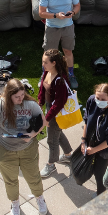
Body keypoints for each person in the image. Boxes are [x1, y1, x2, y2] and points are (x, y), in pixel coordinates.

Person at [0, 79, 48, 215]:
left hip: (28, 150)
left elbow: (43, 121)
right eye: (17, 97)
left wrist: (32, 134)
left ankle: (40, 198)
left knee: (33, 177)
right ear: (8, 95)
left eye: (22, 95)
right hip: (5, 151)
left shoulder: (30, 104)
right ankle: (14, 203)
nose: (21, 99)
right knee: (10, 181)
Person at [38, 0, 80, 89]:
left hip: (68, 26)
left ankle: (70, 74)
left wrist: (73, 13)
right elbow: (41, 13)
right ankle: (45, 74)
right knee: (49, 54)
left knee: (68, 51)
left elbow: (77, 6)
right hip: (52, 27)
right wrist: (56, 15)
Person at [37, 49, 73, 178]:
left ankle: (51, 165)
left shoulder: (60, 81)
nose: (43, 64)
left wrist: (47, 118)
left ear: (53, 63)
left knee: (51, 140)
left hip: (56, 113)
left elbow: (59, 104)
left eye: (45, 62)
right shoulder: (48, 71)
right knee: (57, 133)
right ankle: (68, 155)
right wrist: (40, 103)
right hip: (50, 108)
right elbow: (42, 88)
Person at [81, 83, 108, 195]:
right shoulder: (91, 101)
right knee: (89, 167)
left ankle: (101, 192)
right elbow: (86, 120)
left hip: (104, 149)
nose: (99, 101)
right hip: (90, 142)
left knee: (99, 173)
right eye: (97, 98)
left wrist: (94, 150)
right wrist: (83, 140)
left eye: (103, 99)